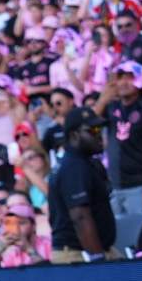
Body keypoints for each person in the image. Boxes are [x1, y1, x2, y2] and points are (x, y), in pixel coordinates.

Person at [48, 107, 120, 263]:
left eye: (100, 129)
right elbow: (80, 216)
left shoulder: (85, 163)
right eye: (93, 130)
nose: (99, 135)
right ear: (74, 135)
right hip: (78, 255)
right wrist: (97, 260)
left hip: (90, 251)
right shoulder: (74, 166)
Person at [92, 61, 142, 214]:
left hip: (140, 187)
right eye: (120, 77)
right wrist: (103, 98)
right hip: (115, 187)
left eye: (129, 78)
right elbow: (89, 126)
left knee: (141, 236)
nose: (123, 83)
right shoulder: (111, 107)